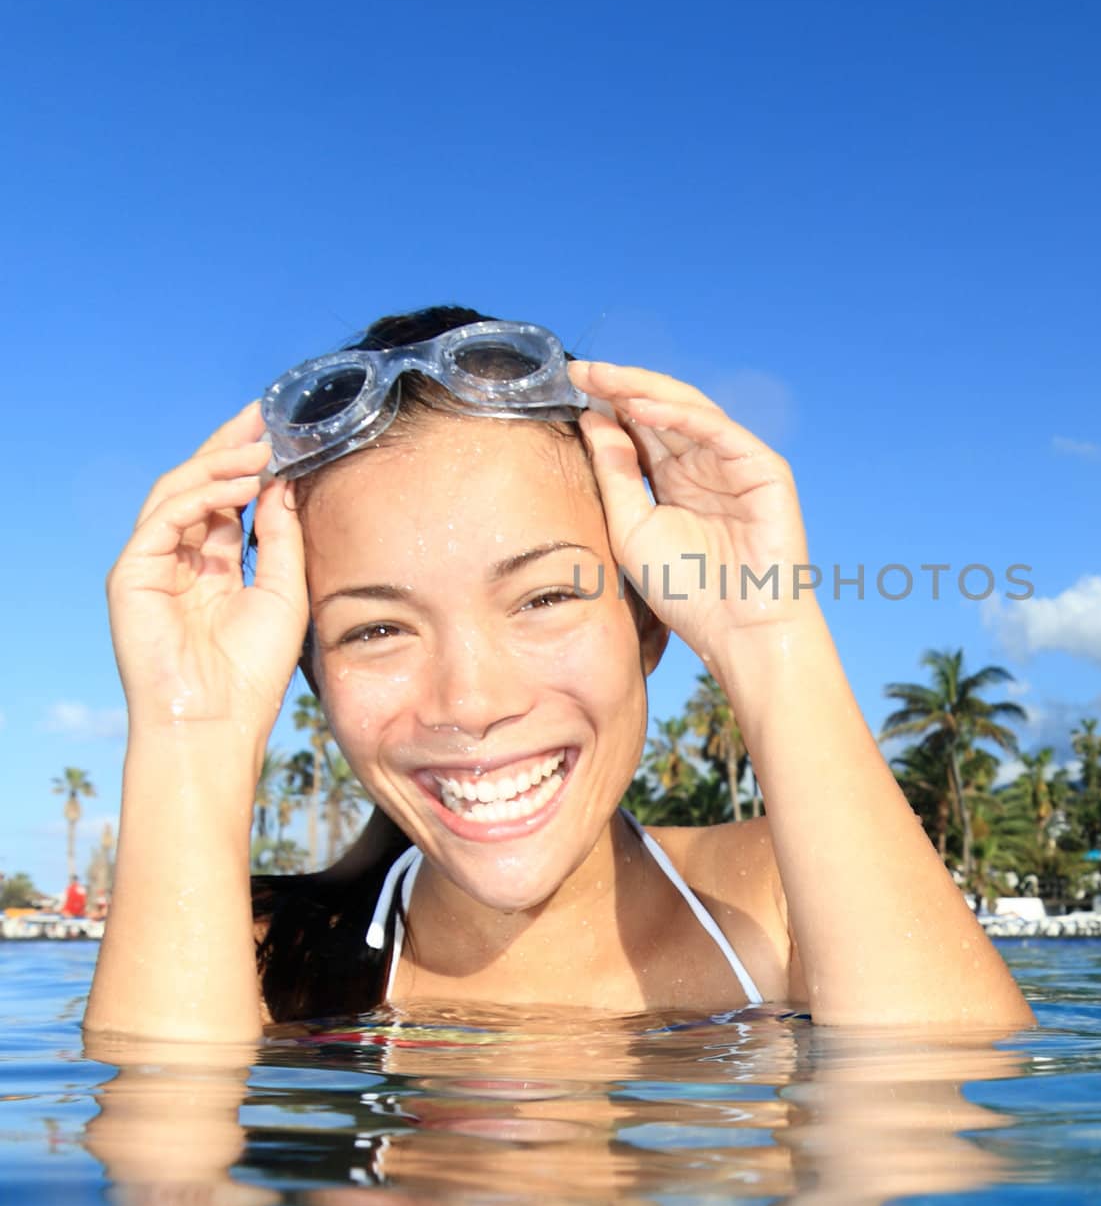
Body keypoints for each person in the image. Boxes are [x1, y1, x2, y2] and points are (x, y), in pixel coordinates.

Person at [86, 307, 1033, 1040]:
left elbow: (942, 1145)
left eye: (544, 599)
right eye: (376, 629)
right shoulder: (254, 962)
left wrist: (767, 631)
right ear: (311, 676)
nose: (471, 702)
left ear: (651, 621)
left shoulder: (782, 900)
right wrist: (190, 730)